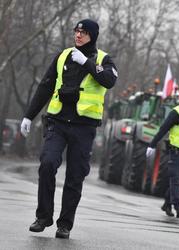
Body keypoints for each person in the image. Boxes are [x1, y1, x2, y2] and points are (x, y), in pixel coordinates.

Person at [20, 19, 117, 239]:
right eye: (76, 31)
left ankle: (65, 224)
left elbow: (109, 80)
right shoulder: (63, 56)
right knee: (47, 164)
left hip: (84, 128)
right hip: (58, 123)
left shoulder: (103, 59)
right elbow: (45, 86)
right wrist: (29, 115)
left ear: (92, 35)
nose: (78, 35)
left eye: (83, 32)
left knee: (75, 176)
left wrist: (87, 63)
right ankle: (43, 217)